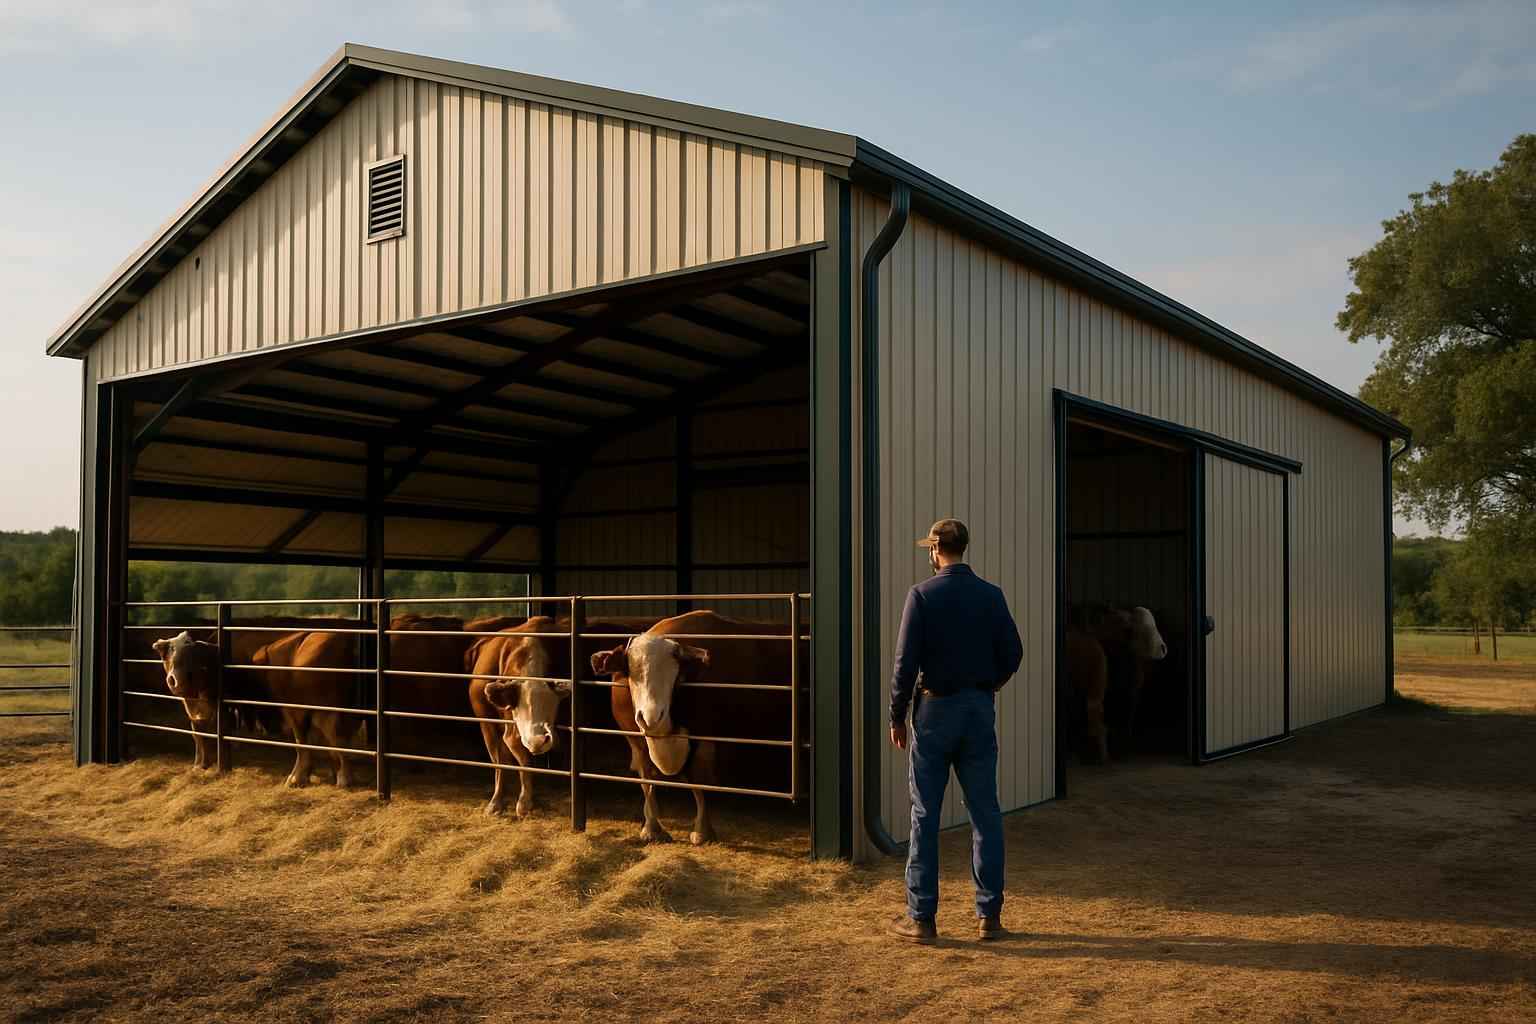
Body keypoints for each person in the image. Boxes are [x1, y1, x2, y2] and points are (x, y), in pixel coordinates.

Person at [887, 518, 1023, 944]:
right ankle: (989, 917)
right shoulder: (991, 595)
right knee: (985, 811)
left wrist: (896, 715)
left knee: (925, 813)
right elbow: (1013, 652)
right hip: (978, 709)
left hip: (935, 711)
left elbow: (904, 664)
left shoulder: (922, 596)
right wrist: (989, 688)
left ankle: (922, 918)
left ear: (934, 551)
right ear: (964, 548)